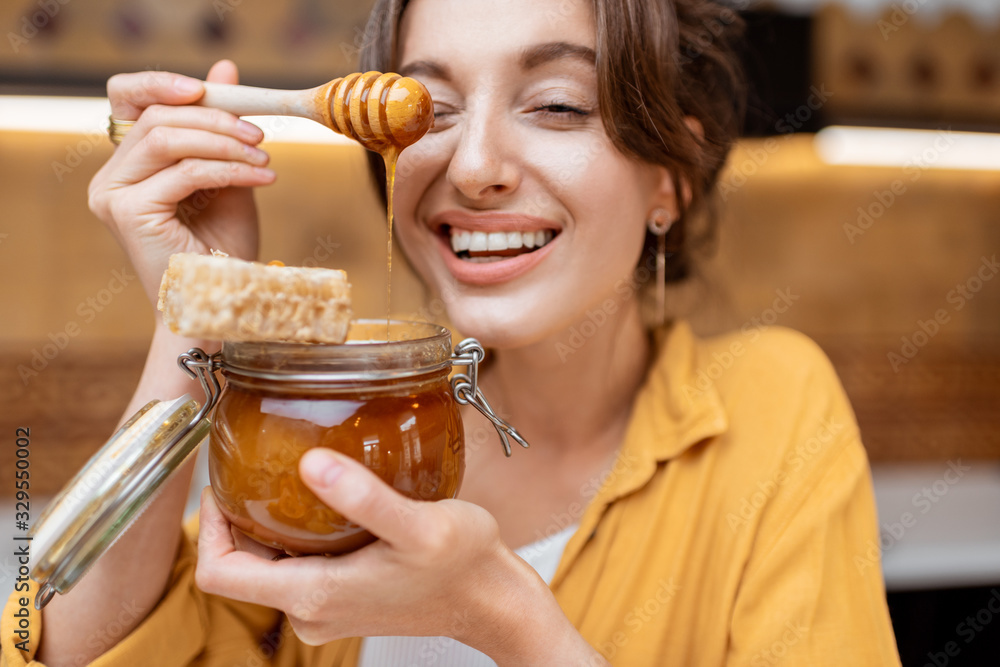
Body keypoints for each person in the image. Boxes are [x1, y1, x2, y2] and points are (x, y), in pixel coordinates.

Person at [1, 0, 902, 665]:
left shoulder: (772, 408)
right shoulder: (346, 421)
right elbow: (70, 645)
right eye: (429, 111)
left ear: (671, 177)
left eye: (556, 104)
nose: (472, 168)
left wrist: (502, 617)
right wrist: (199, 303)